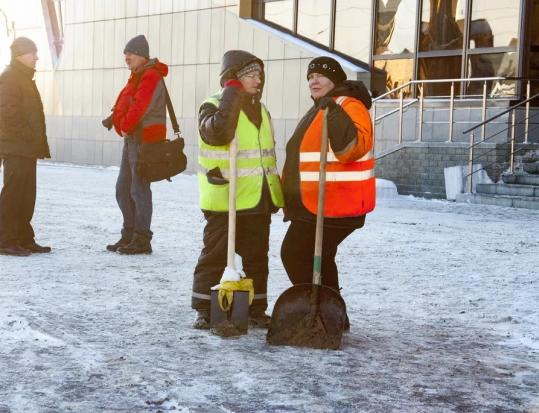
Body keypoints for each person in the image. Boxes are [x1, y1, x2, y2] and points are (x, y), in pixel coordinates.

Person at [280, 57, 375, 331]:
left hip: (334, 202)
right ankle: (334, 318)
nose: (314, 80)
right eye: (311, 76)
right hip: (314, 203)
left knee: (294, 253)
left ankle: (319, 312)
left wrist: (334, 112)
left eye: (321, 75)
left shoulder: (348, 105)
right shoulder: (319, 108)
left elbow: (353, 147)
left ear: (336, 80)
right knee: (317, 257)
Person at [191, 50, 284, 329]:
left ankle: (256, 310)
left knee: (257, 259)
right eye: (250, 75)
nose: (258, 81)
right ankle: (205, 309)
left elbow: (267, 156)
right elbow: (219, 133)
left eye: (259, 75)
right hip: (225, 198)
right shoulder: (212, 105)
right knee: (215, 255)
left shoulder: (262, 111)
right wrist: (231, 94)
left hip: (257, 198)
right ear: (233, 78)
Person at [105, 35, 169, 255]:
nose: (126, 58)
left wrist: (124, 124)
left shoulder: (150, 75)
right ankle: (129, 234)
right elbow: (126, 102)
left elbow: (140, 106)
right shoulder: (138, 75)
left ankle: (142, 239)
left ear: (142, 55)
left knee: (138, 189)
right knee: (123, 189)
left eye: (130, 54)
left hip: (145, 139)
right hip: (133, 137)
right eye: (125, 54)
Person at [0, 37, 51, 257]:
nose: (37, 57)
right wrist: (30, 136)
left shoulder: (23, 77)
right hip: (16, 146)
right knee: (13, 195)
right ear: (20, 55)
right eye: (33, 53)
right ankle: (7, 242)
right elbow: (11, 115)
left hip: (26, 147)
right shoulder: (10, 78)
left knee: (27, 196)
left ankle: (24, 239)